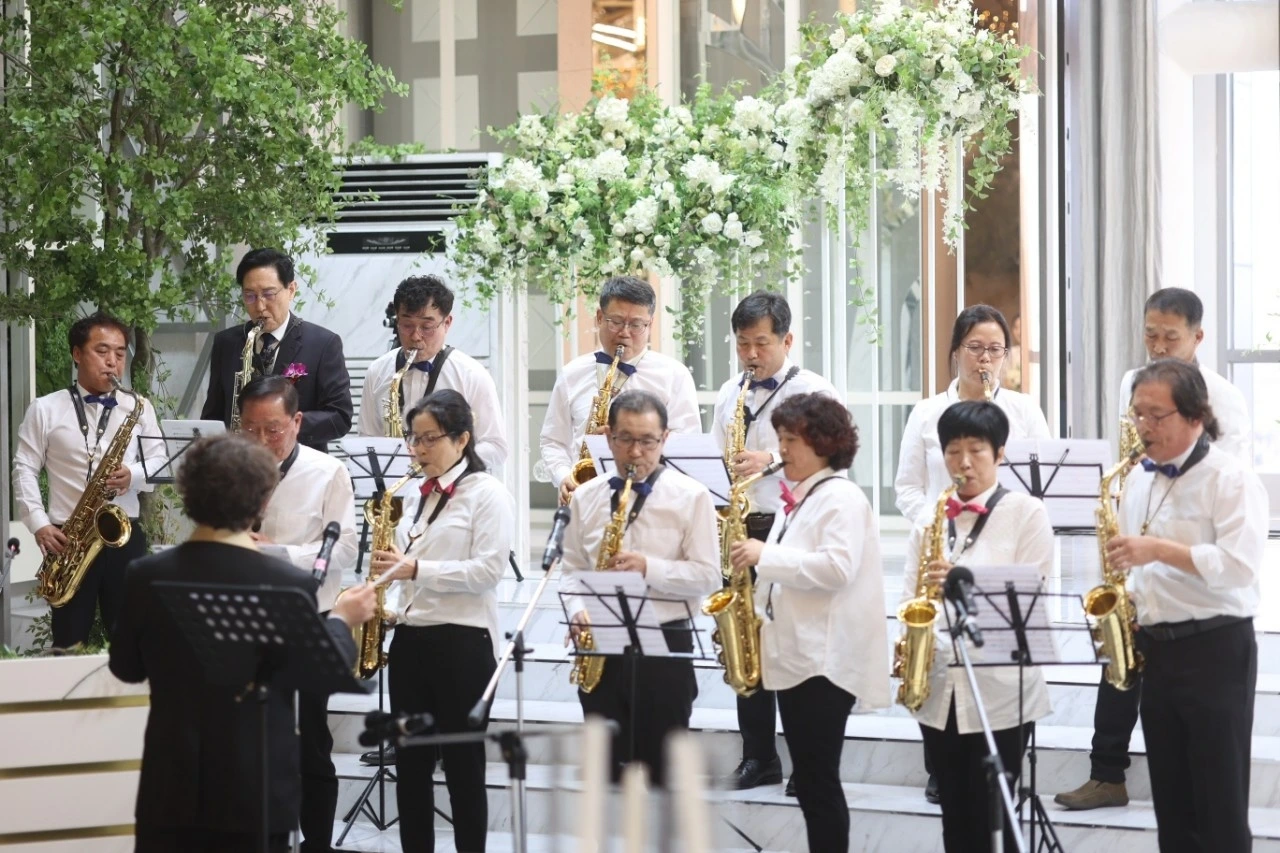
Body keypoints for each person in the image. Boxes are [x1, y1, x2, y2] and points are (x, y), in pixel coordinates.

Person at [108, 434, 377, 853]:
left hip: (171, 788)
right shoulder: (288, 584)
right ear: (262, 503)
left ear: (187, 495)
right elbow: (317, 672)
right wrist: (341, 619)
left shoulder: (145, 575)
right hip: (256, 791)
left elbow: (125, 668)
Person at [1055, 287, 1255, 811]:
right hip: (1138, 539)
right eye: (1150, 335)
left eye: (1171, 337)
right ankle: (1106, 773)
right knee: (1118, 655)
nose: (1159, 346)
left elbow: (1225, 482)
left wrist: (1159, 539)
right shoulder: (1133, 381)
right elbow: (1134, 458)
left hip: (1194, 562)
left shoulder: (1223, 396)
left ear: (1197, 337)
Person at [1104, 359, 1266, 851]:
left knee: (1220, 806)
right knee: (1172, 808)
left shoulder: (1231, 479)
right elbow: (1134, 568)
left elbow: (1239, 567)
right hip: (1157, 651)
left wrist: (1159, 551)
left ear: (1196, 416)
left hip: (1215, 648)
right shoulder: (1137, 479)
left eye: (1157, 416)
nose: (1144, 427)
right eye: (1137, 415)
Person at [894, 304, 1050, 802]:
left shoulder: (1023, 411)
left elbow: (1042, 480)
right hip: (939, 541)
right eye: (975, 348)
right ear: (956, 351)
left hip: (1002, 544)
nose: (985, 358)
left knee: (993, 803)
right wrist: (935, 527)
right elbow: (907, 486)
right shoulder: (926, 412)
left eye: (995, 350)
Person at [728, 393, 890, 853]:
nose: (781, 451)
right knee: (813, 789)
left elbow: (836, 569)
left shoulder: (841, 498)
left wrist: (765, 555)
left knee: (819, 786)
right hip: (799, 656)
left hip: (824, 664)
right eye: (780, 439)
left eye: (791, 440)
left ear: (823, 442)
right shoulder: (801, 499)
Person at [902, 400, 1054, 852]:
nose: (963, 463)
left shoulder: (1027, 512)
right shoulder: (930, 518)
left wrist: (963, 579)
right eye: (952, 451)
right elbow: (909, 597)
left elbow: (1032, 590)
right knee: (954, 814)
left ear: (999, 453)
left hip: (1002, 691)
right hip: (938, 687)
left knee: (998, 815)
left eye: (976, 450)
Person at [367, 389, 513, 853]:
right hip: (411, 643)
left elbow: (487, 571)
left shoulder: (488, 494)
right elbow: (409, 570)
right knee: (410, 767)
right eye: (414, 438)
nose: (418, 449)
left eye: (430, 439)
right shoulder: (414, 494)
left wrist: (415, 569)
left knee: (463, 767)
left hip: (464, 645)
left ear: (462, 438)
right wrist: (389, 604)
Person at [712, 291, 840, 794]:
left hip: (794, 529)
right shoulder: (730, 393)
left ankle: (808, 762)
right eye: (742, 343)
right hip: (740, 530)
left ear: (787, 340)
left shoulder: (814, 391)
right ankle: (758, 756)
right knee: (745, 646)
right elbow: (715, 464)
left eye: (761, 343)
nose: (750, 354)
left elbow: (836, 460)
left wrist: (772, 460)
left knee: (795, 647)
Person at [559, 389, 720, 785]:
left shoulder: (692, 496)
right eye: (625, 439)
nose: (635, 452)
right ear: (609, 438)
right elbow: (571, 567)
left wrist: (650, 568)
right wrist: (577, 609)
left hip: (665, 641)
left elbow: (708, 576)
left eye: (647, 441)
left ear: (665, 439)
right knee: (604, 773)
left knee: (661, 774)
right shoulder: (586, 496)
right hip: (601, 639)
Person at [235, 376, 358, 853]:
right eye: (250, 429)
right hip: (246, 621)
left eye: (273, 429)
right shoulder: (233, 469)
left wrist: (279, 552)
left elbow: (344, 547)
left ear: (298, 422)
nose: (261, 440)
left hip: (309, 620)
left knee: (310, 741)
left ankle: (318, 843)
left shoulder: (328, 472)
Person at [12, 312, 167, 648]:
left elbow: (160, 462)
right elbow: (24, 468)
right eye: (102, 351)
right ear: (77, 354)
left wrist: (133, 474)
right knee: (68, 643)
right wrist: (38, 524)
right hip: (68, 538)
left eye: (120, 353)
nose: (113, 362)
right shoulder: (45, 409)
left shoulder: (139, 407)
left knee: (131, 642)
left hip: (123, 534)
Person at [540, 276, 701, 506]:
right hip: (584, 498)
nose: (625, 333)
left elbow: (686, 443)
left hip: (652, 502)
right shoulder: (571, 374)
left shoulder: (675, 375)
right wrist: (564, 476)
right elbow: (552, 441)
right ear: (599, 317)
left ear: (650, 324)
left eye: (636, 325)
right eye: (615, 321)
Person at [202, 248, 354, 452]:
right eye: (250, 296)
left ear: (291, 289)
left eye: (269, 294)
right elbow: (213, 415)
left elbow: (340, 417)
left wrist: (285, 426)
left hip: (300, 463)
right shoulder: (226, 343)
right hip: (241, 463)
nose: (260, 306)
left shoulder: (323, 344)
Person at [358, 275, 508, 470]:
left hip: (453, 486)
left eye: (427, 327)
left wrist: (446, 455)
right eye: (406, 325)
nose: (415, 336)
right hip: (396, 486)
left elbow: (496, 448)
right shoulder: (377, 371)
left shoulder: (472, 374)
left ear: (447, 323)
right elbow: (367, 438)